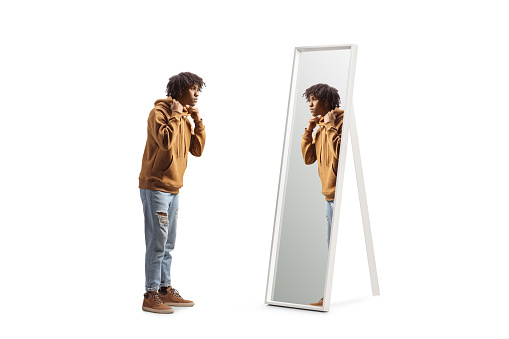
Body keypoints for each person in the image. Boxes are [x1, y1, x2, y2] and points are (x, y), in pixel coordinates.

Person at [138, 72, 206, 314]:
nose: (197, 94)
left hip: (174, 188)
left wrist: (196, 122)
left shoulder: (185, 118)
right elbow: (166, 141)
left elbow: (197, 149)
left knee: (168, 243)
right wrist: (177, 115)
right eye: (193, 89)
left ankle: (165, 289)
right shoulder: (159, 113)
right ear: (179, 90)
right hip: (155, 186)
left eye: (199, 90)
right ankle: (150, 294)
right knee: (157, 242)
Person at [301, 83, 344, 307]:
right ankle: (329, 295)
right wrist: (309, 130)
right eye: (308, 100)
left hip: (342, 197)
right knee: (331, 247)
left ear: (327, 101)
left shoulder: (341, 123)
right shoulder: (320, 127)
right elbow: (308, 158)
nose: (310, 104)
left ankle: (330, 295)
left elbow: (341, 157)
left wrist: (331, 128)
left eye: (314, 100)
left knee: (338, 248)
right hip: (328, 197)